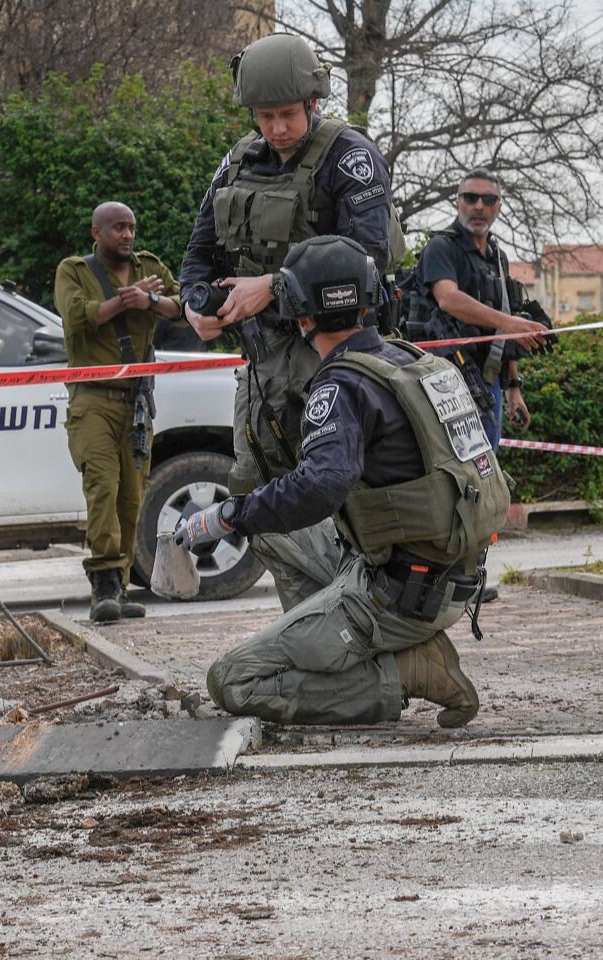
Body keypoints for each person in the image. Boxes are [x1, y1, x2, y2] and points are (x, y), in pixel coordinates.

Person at [172, 236, 509, 728]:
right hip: (447, 574)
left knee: (233, 680)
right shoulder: (409, 360)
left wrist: (226, 515)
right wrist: (247, 517)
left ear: (298, 314)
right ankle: (331, 638)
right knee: (267, 525)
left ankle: (404, 671)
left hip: (394, 595)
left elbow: (319, 487)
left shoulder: (342, 385)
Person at [180, 31, 400, 611]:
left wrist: (274, 288)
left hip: (335, 357)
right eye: (265, 116)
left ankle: (363, 630)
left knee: (340, 496)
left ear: (313, 103)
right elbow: (201, 248)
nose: (276, 128)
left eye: (287, 115)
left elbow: (369, 260)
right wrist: (194, 304)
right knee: (258, 499)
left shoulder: (348, 157)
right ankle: (306, 627)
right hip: (261, 366)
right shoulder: (238, 160)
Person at [53, 202, 185, 622]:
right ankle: (104, 586)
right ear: (97, 232)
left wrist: (149, 301)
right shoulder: (75, 270)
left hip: (137, 402)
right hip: (93, 399)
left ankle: (122, 585)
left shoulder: (150, 266)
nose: (127, 235)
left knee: (132, 496)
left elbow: (183, 309)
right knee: (103, 488)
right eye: (117, 229)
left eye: (131, 227)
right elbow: (77, 317)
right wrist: (124, 302)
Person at [416, 170, 549, 449]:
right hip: (444, 385)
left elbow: (504, 331)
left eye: (489, 199)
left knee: (487, 469)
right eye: (471, 197)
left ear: (498, 208)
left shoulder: (498, 257)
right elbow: (448, 299)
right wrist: (510, 322)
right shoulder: (441, 247)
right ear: (457, 202)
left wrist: (514, 388)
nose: (479, 206)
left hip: (487, 384)